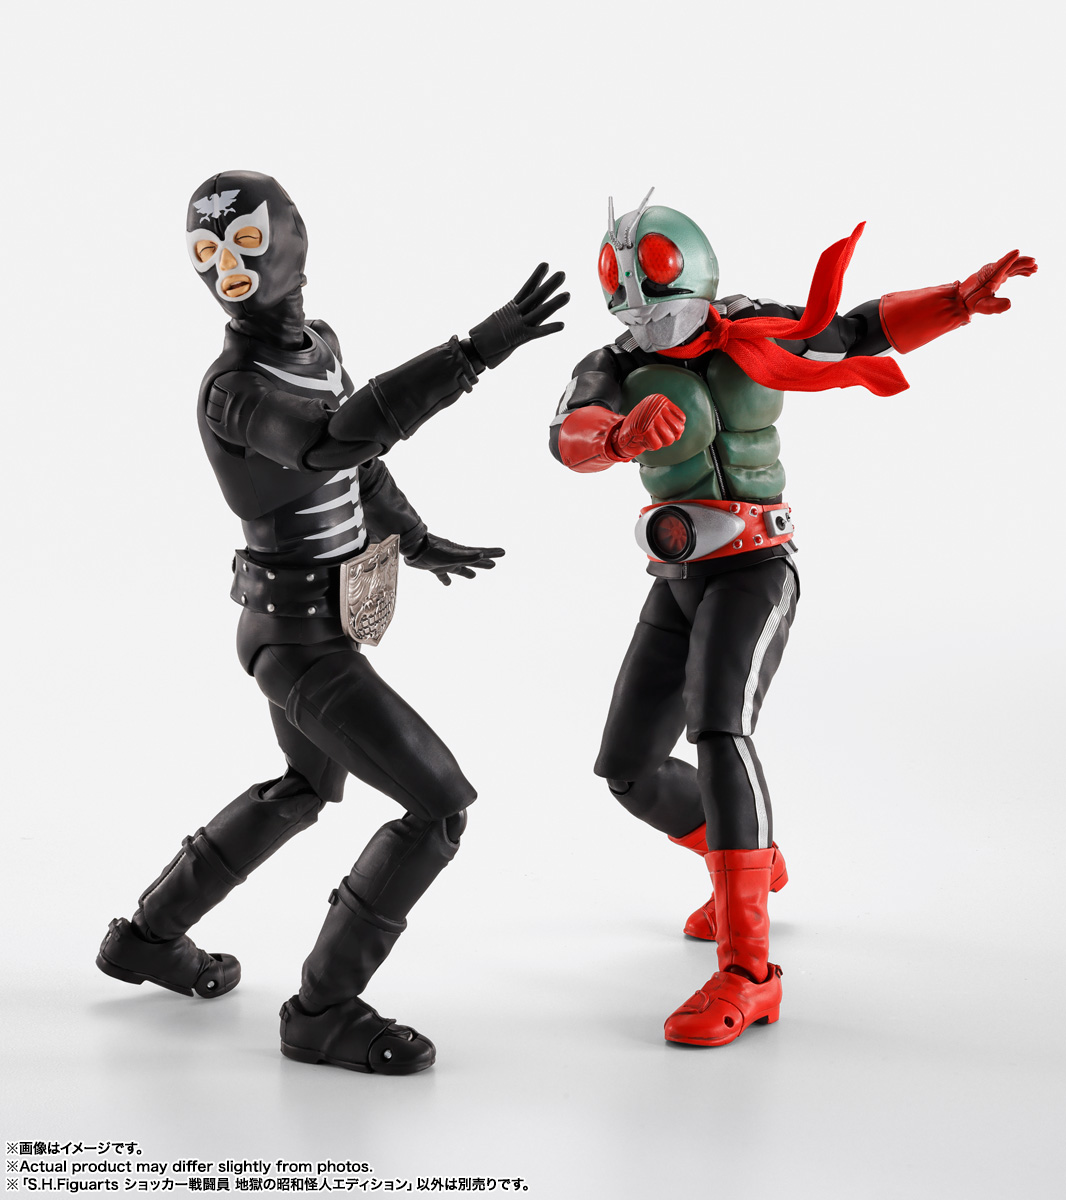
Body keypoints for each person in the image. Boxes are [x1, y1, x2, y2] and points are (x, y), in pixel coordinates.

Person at [97, 170, 568, 1075]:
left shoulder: (319, 345)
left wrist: (414, 539)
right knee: (439, 808)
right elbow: (331, 441)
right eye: (208, 253)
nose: (229, 268)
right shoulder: (232, 390)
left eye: (246, 241)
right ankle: (321, 1013)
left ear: (294, 238)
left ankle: (146, 939)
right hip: (295, 642)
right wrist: (475, 352)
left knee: (303, 788)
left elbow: (356, 468)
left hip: (318, 626)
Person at [549, 189, 1034, 1047]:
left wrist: (955, 300)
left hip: (754, 567)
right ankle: (746, 859)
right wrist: (618, 437)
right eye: (623, 280)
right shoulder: (616, 365)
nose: (640, 297)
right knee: (628, 769)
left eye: (652, 271)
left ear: (692, 266)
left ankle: (749, 973)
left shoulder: (755, 326)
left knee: (719, 730)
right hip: (675, 574)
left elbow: (854, 330)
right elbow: (564, 434)